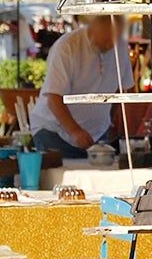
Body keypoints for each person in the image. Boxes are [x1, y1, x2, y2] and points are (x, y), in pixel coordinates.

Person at [28, 14, 135, 157]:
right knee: (61, 178)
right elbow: (53, 98)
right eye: (106, 40)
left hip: (96, 135)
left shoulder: (120, 47)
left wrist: (110, 120)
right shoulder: (68, 46)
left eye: (114, 40)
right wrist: (75, 131)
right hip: (54, 132)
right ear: (94, 28)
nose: (110, 45)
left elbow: (121, 89)